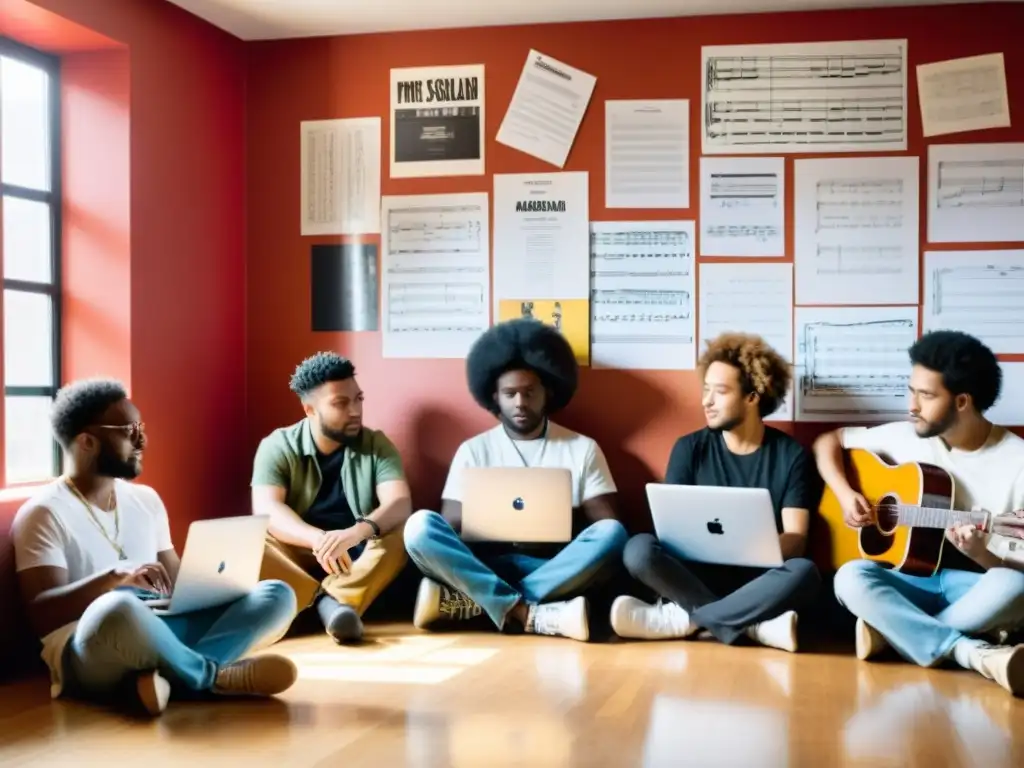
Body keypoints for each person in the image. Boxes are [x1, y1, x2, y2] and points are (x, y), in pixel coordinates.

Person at [11, 379, 298, 717]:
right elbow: (42, 615)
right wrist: (110, 580)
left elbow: (177, 583)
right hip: (94, 642)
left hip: (163, 624)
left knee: (277, 594)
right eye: (128, 430)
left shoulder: (145, 500)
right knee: (118, 608)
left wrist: (219, 586)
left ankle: (166, 679)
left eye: (140, 427)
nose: (141, 439)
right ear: (87, 441)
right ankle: (213, 675)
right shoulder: (44, 512)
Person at [815, 330, 1024, 695]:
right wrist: (846, 494)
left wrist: (979, 551)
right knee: (849, 577)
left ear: (962, 401)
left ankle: (892, 632)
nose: (911, 405)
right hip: (910, 581)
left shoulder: (1017, 461)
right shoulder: (906, 435)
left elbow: (1012, 571)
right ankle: (971, 652)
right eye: (912, 390)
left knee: (1014, 586)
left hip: (969, 588)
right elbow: (827, 442)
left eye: (925, 395)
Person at [404, 318, 628, 642]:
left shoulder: (582, 448)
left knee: (615, 535)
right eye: (510, 394)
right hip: (484, 563)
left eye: (529, 392)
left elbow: (608, 523)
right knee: (419, 526)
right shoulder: (473, 450)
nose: (520, 403)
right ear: (495, 396)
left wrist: (560, 511)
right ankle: (530, 613)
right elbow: (449, 522)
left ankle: (479, 603)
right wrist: (492, 514)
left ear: (547, 392)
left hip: (554, 567)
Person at [612, 333, 821, 652]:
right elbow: (668, 529)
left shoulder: (790, 455)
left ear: (753, 396)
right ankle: (752, 626)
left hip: (757, 582)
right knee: (638, 550)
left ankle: (684, 621)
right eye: (705, 389)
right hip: (695, 576)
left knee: (805, 572)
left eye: (719, 392)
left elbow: (797, 536)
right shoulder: (689, 448)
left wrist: (752, 550)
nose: (705, 401)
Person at [252, 352, 411, 643]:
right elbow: (266, 508)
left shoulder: (377, 444)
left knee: (406, 531)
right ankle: (329, 604)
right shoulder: (277, 445)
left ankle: (329, 600)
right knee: (250, 539)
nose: (355, 410)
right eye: (341, 403)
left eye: (358, 399)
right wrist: (318, 540)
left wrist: (355, 533)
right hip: (300, 555)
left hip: (358, 555)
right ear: (309, 410)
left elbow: (399, 502)